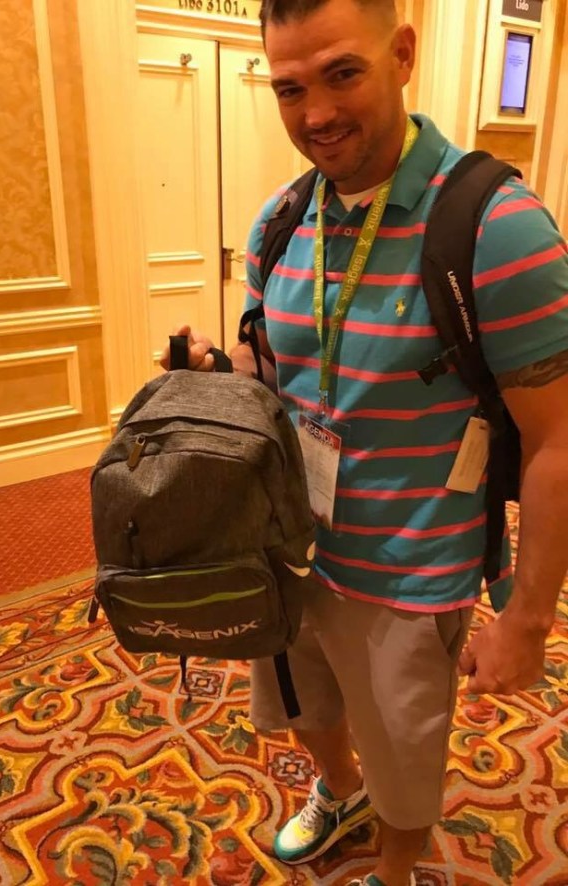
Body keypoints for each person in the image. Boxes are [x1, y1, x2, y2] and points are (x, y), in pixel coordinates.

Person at [161, 1, 568, 884]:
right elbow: (270, 369)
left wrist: (528, 620)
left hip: (407, 573)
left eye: (341, 74)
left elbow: (556, 442)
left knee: (403, 755)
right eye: (289, 89)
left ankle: (395, 864)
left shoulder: (496, 227)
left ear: (402, 53)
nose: (315, 114)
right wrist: (215, 372)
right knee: (303, 705)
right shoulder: (280, 220)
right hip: (287, 548)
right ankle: (337, 791)